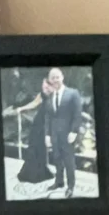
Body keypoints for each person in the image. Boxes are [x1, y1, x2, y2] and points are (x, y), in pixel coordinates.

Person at [43, 68, 83, 197]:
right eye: (52, 78)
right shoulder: (50, 97)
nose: (55, 80)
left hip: (68, 135)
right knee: (57, 159)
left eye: (57, 77)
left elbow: (77, 114)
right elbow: (48, 117)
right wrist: (47, 135)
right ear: (49, 80)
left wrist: (74, 131)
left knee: (69, 161)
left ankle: (70, 186)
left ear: (62, 77)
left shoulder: (73, 93)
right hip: (54, 135)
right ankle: (59, 181)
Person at [13, 77, 54, 187]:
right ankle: (30, 172)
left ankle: (39, 172)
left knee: (40, 147)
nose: (45, 86)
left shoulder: (56, 96)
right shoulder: (42, 95)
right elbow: (34, 103)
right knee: (33, 144)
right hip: (39, 123)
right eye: (44, 84)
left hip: (48, 125)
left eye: (47, 85)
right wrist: (21, 108)